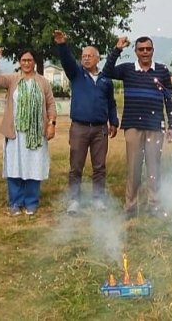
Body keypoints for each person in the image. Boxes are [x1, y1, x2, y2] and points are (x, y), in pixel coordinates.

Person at [103, 36, 172, 219]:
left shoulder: (162, 71)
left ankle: (154, 205)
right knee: (133, 168)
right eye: (141, 49)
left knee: (154, 168)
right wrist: (117, 49)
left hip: (155, 126)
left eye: (148, 49)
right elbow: (107, 71)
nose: (145, 52)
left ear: (153, 50)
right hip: (133, 125)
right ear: (136, 51)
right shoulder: (128, 69)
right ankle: (130, 207)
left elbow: (169, 99)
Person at [54, 30, 119, 214]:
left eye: (90, 56)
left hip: (100, 130)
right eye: (83, 56)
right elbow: (67, 61)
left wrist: (113, 121)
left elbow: (111, 103)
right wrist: (62, 45)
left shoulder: (105, 78)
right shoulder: (76, 74)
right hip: (79, 128)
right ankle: (74, 200)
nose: (86, 59)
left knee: (99, 167)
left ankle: (98, 199)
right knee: (76, 166)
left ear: (98, 59)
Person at [0, 47, 56, 216]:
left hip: (36, 134)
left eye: (30, 60)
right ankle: (15, 202)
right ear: (19, 62)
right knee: (14, 167)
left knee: (34, 166)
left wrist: (51, 123)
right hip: (16, 133)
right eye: (24, 60)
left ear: (34, 62)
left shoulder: (43, 82)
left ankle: (31, 202)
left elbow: (51, 104)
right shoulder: (13, 79)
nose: (26, 63)